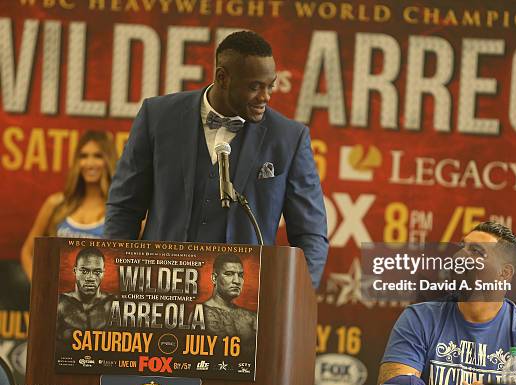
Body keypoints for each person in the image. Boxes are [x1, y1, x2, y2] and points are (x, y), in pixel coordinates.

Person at [104, 30, 328, 288]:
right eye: (255, 86)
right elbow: (124, 208)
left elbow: (310, 233)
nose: (265, 96)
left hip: (245, 299)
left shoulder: (289, 138)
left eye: (270, 85)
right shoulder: (157, 117)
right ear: (222, 77)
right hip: (160, 293)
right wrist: (115, 281)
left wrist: (294, 299)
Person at [378, 222, 516, 385]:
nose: (459, 257)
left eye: (476, 251)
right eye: (461, 247)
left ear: (505, 272)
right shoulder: (419, 318)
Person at [21, 130, 117, 280]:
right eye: (83, 156)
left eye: (98, 156)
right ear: (77, 162)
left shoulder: (119, 211)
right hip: (56, 300)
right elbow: (28, 252)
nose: (90, 163)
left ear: (109, 160)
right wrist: (41, 289)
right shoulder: (56, 204)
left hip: (99, 300)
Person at [56, 247, 113, 344]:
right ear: (75, 271)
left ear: (103, 273)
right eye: (84, 271)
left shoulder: (112, 304)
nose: (90, 278)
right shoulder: (59, 304)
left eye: (97, 272)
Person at [204, 253, 256, 355]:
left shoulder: (251, 317)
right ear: (214, 278)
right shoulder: (201, 314)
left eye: (240, 275)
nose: (237, 281)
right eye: (229, 274)